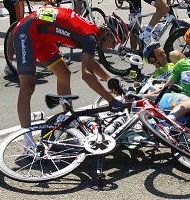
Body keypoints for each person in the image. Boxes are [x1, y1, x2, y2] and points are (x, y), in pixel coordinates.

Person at [11, 6, 128, 147]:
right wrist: (111, 100)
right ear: (107, 34)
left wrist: (109, 79)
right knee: (27, 88)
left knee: (64, 74)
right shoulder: (89, 37)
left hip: (42, 37)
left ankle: (68, 119)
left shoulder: (91, 33)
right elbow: (87, 75)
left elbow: (90, 62)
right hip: (26, 32)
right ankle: (28, 145)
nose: (113, 47)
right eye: (114, 42)